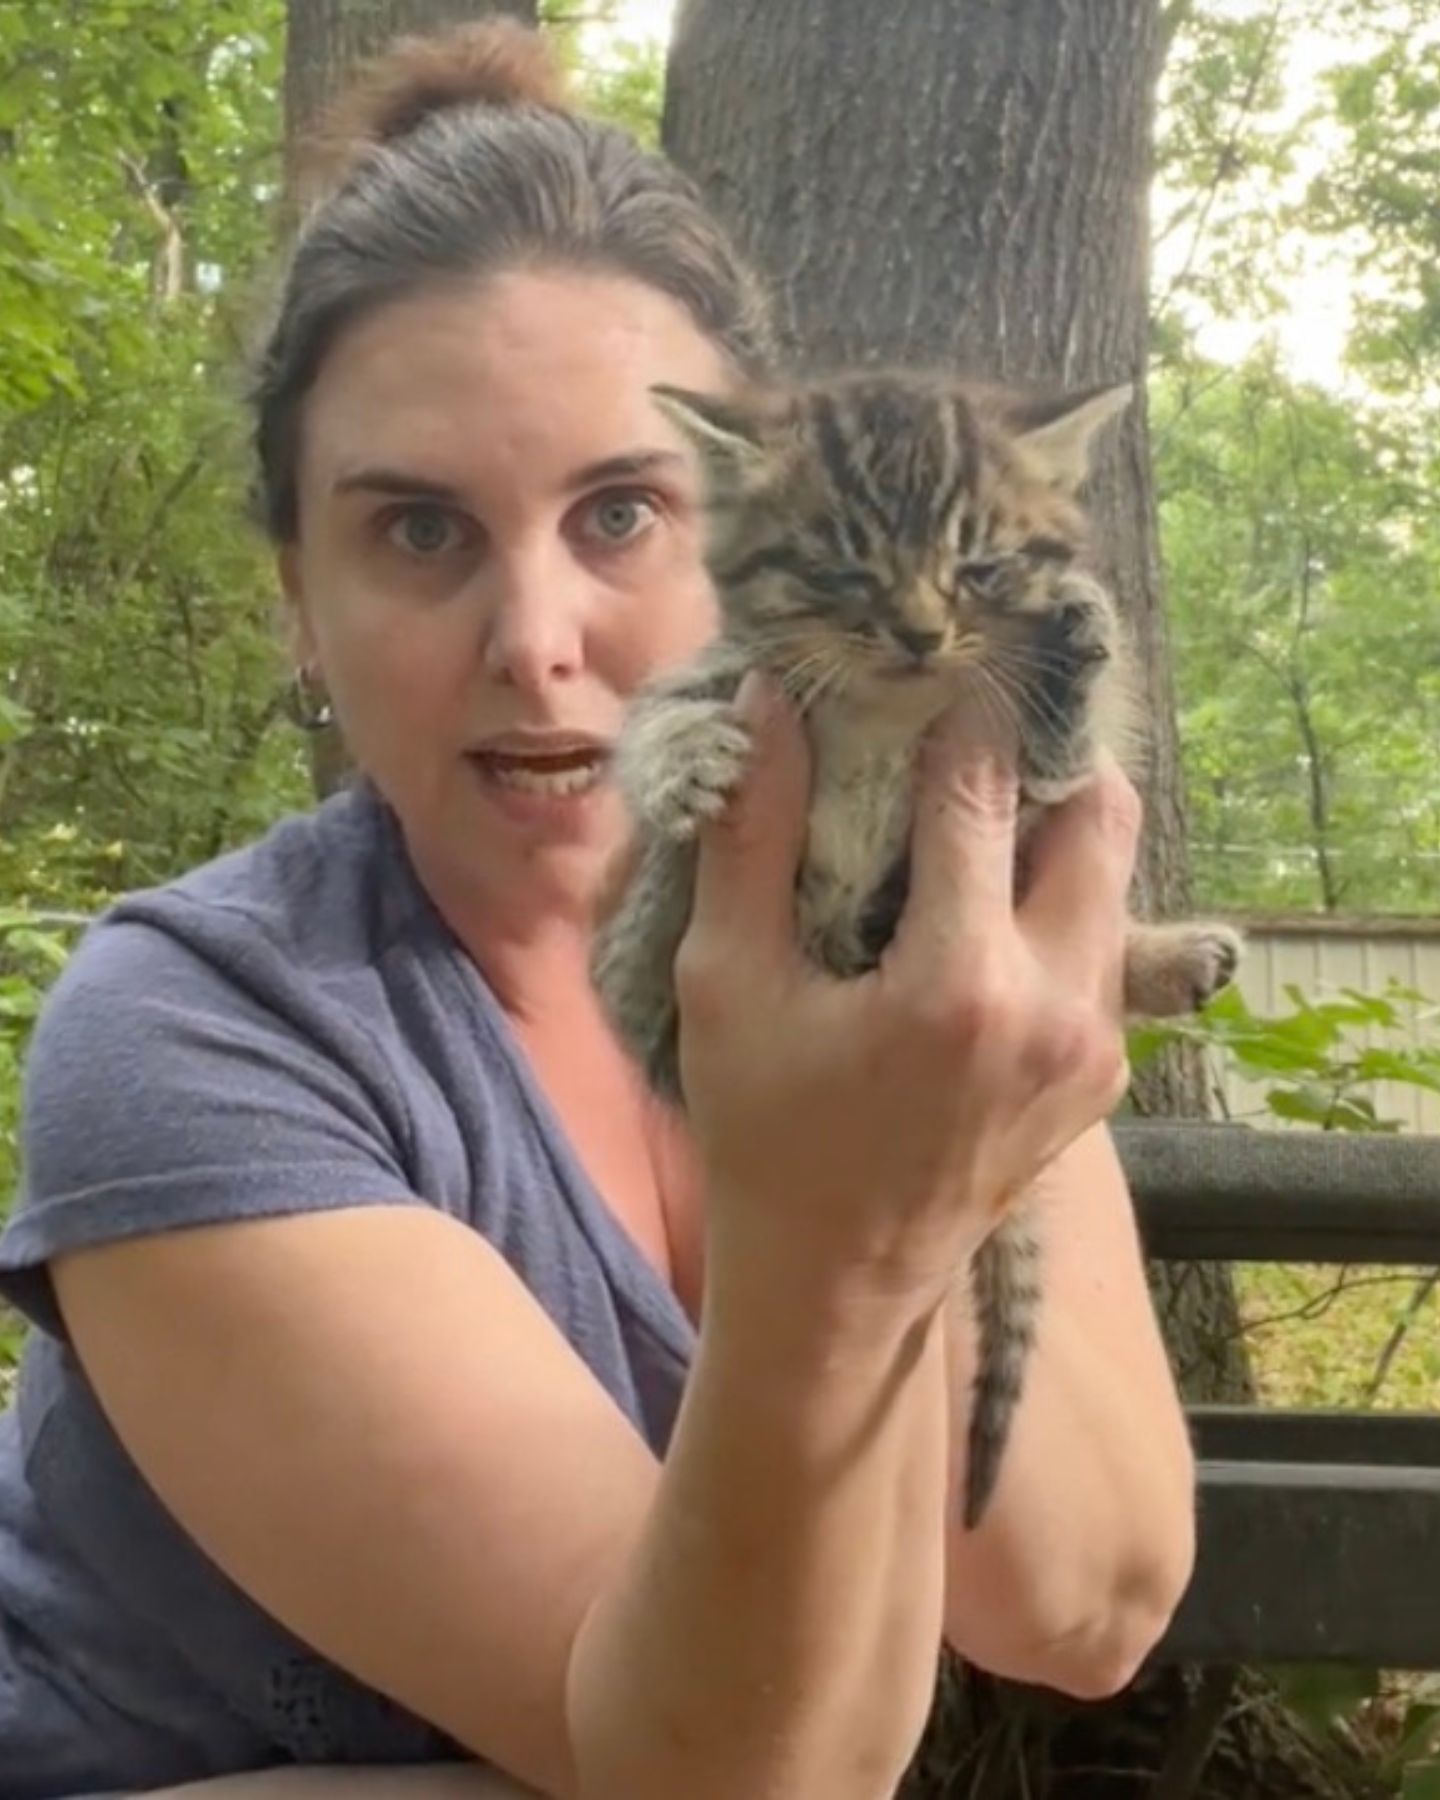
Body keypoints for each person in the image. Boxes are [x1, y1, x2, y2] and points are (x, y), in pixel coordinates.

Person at [0, 19, 1197, 1800]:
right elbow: (731, 1777)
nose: (536, 639)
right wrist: (854, 1219)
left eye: (624, 511)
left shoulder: (943, 959)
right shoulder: (203, 1031)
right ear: (298, 610)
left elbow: (1085, 1604)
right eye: (418, 534)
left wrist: (935, 1138)